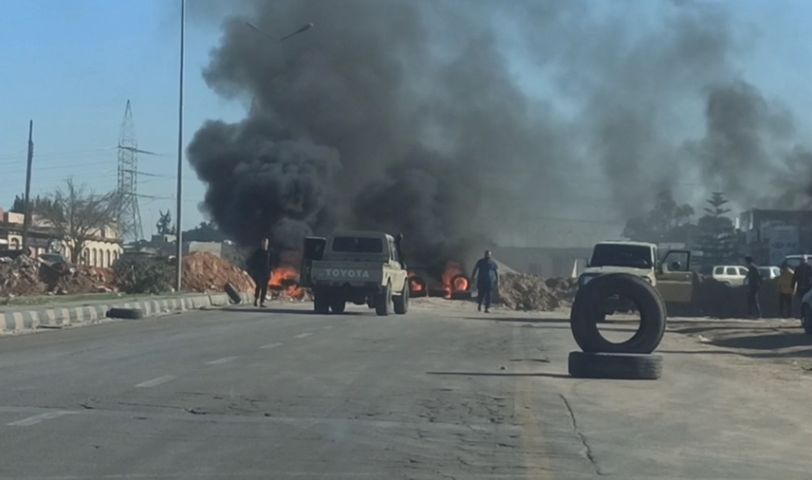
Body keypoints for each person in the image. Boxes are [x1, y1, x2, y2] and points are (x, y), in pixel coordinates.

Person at [247, 238, 272, 307]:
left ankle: (262, 302)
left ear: (268, 243)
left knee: (264, 288)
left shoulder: (269, 252)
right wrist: (253, 270)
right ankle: (256, 300)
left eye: (266, 243)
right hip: (259, 272)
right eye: (264, 243)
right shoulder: (258, 252)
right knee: (258, 286)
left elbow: (270, 263)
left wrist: (270, 272)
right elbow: (253, 261)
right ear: (262, 243)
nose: (265, 244)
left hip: (266, 272)